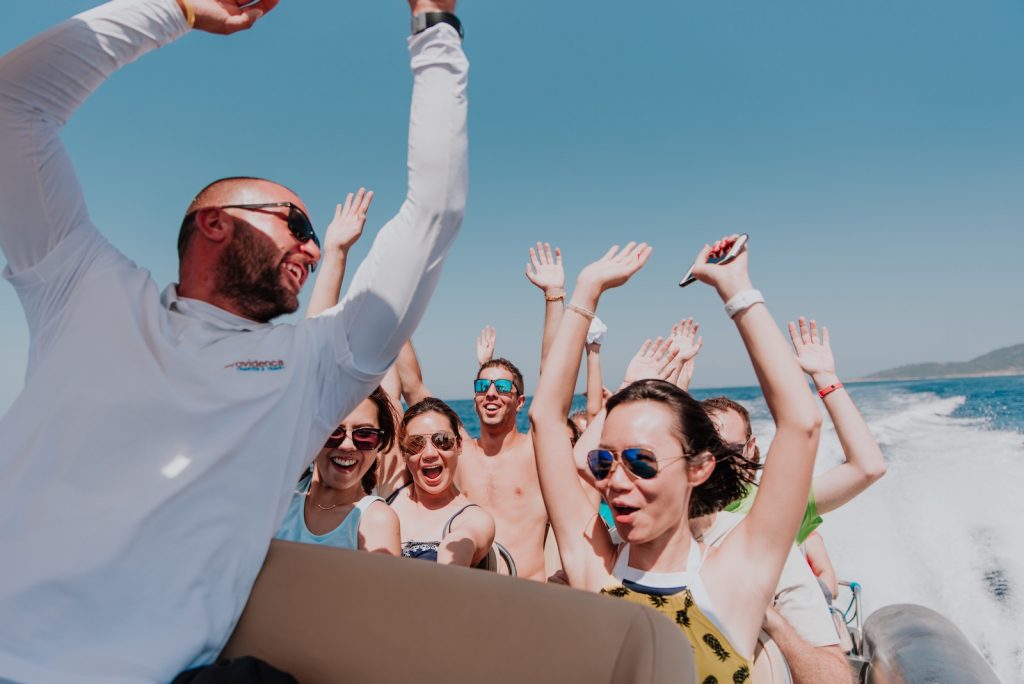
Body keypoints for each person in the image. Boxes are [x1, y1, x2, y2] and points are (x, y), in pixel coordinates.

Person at [0, 0, 467, 680]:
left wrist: (435, 26)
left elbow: (436, 212)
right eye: (296, 222)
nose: (313, 246)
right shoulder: (81, 285)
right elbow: (13, 104)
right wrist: (179, 8)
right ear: (215, 223)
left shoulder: (312, 367)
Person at [531, 237, 823, 681]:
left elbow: (800, 424)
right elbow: (545, 419)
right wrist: (586, 292)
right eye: (605, 463)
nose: (617, 482)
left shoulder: (733, 578)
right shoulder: (595, 569)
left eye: (641, 462)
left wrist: (737, 290)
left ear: (699, 468)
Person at [275, 387, 401, 555]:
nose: (347, 445)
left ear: (380, 443)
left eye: (365, 435)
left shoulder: (376, 521)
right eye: (333, 432)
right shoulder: (281, 498)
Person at [388, 398, 496, 567]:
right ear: (403, 452)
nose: (430, 453)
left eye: (443, 440)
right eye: (416, 444)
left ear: (459, 445)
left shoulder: (474, 520)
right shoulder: (391, 492)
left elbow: (460, 546)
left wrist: (451, 551)